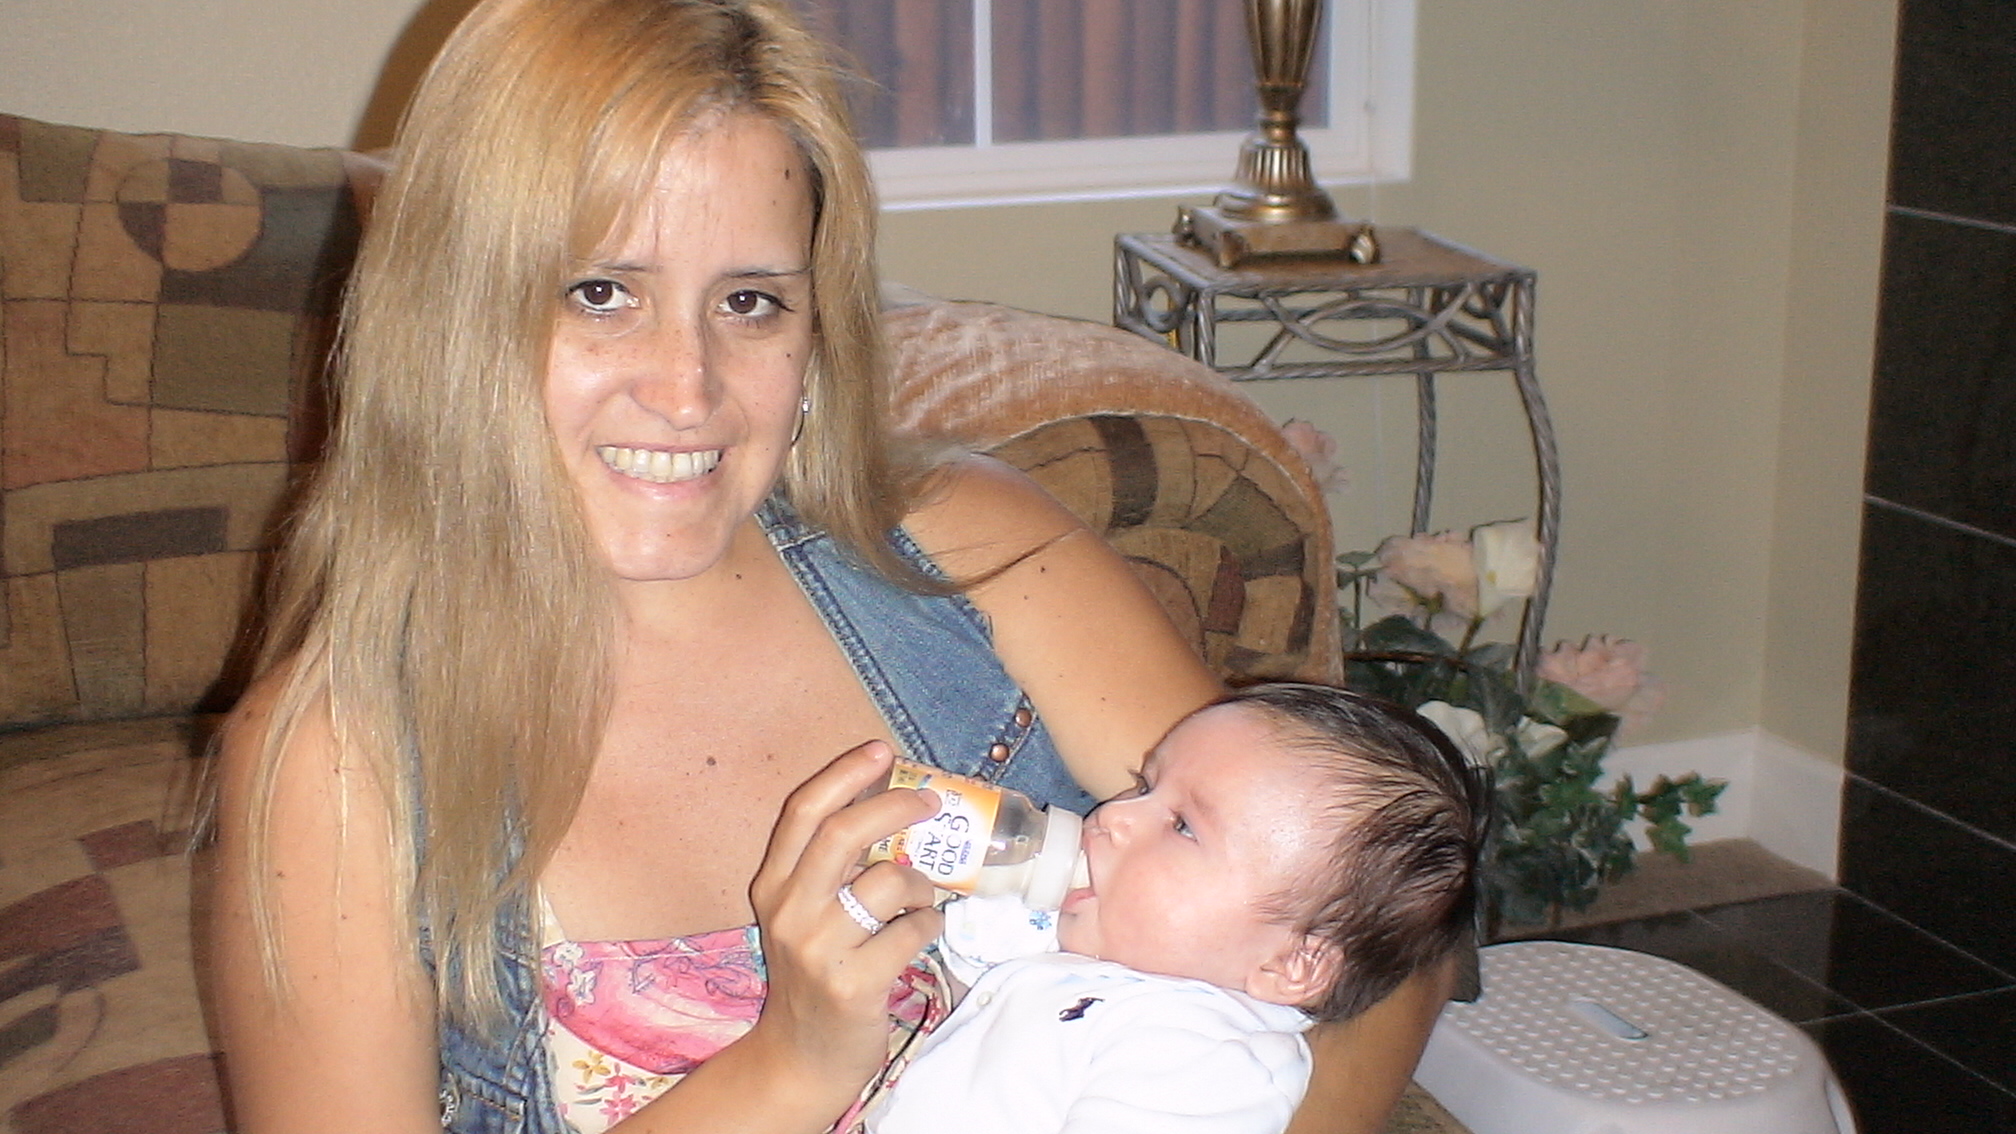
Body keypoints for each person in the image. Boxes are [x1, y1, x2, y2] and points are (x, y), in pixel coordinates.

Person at [202, 1, 1453, 1131]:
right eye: (600, 291)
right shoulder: (337, 760)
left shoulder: (975, 552)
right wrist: (793, 1062)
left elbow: (1377, 922)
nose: (686, 389)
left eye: (750, 302)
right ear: (454, 316)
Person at [860, 683, 1486, 1134]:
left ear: (1289, 964)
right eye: (1143, 785)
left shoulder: (1203, 1059)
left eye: (1183, 825)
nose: (1113, 816)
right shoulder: (1080, 946)